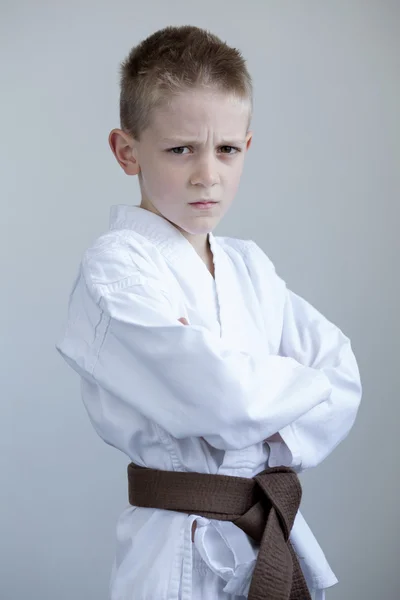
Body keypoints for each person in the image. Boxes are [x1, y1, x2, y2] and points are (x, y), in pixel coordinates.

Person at [56, 25, 362, 600]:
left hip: (265, 531)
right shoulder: (116, 269)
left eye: (226, 149)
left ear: (247, 146)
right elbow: (222, 397)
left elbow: (343, 377)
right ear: (128, 151)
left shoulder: (251, 267)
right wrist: (294, 387)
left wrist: (249, 392)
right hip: (174, 548)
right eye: (180, 149)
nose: (208, 174)